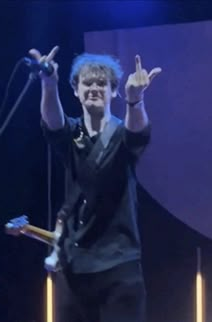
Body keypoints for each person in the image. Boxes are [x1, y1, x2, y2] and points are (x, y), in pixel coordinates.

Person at [29, 46, 161, 322]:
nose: (94, 88)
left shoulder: (122, 133)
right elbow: (53, 122)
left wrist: (135, 100)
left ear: (113, 91)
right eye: (87, 82)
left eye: (102, 83)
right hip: (74, 266)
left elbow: (138, 132)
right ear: (76, 90)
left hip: (119, 263)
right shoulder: (71, 134)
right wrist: (49, 84)